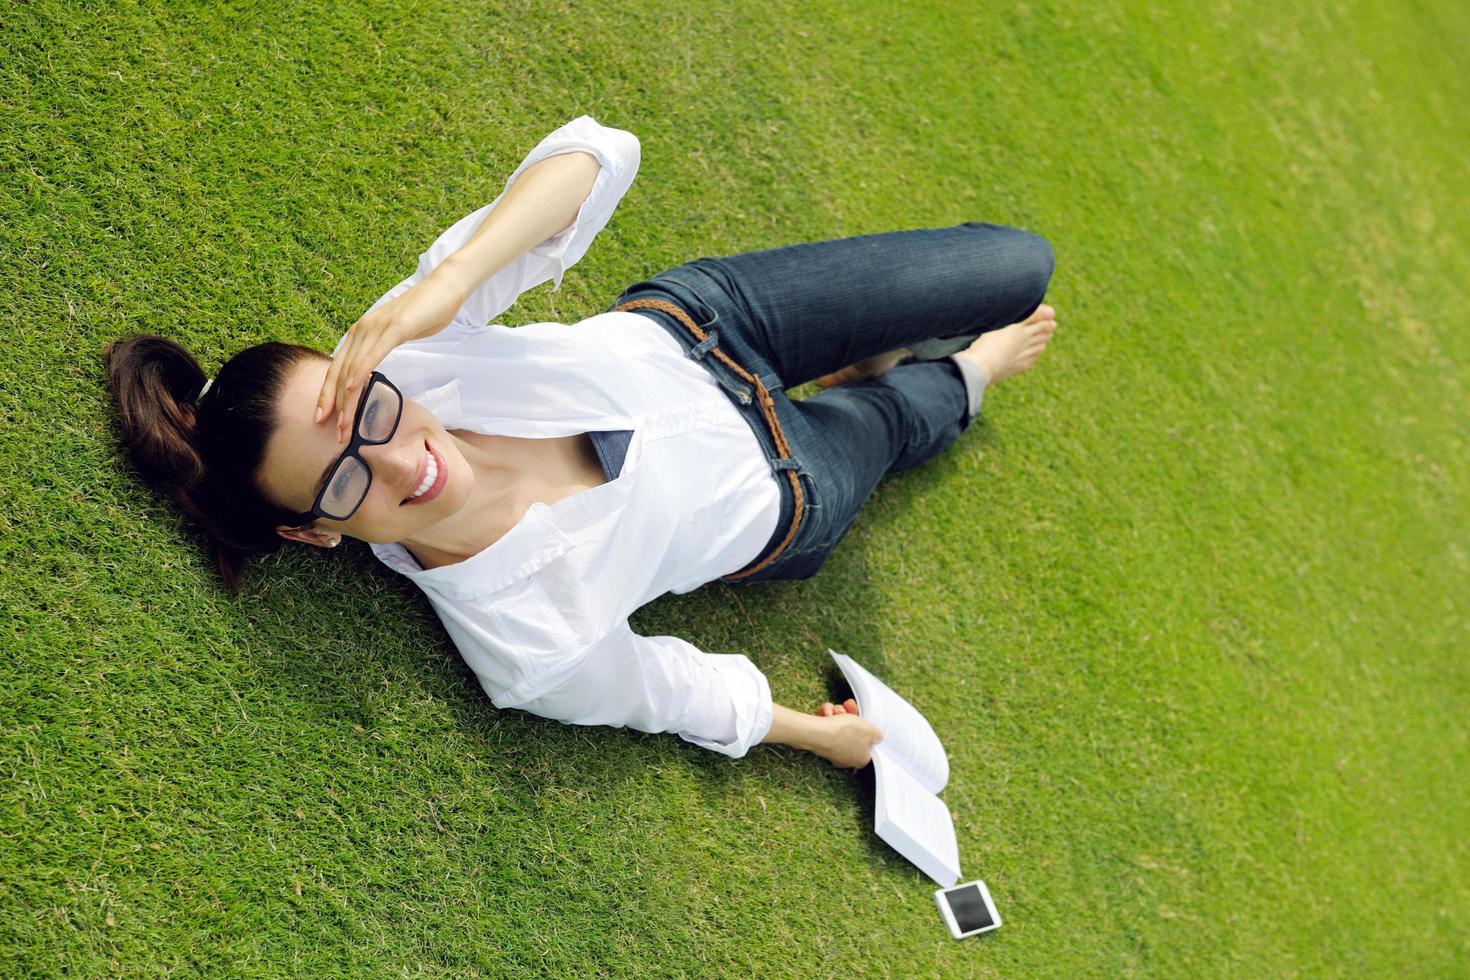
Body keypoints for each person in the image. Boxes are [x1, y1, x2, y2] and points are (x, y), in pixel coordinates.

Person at [106, 116, 1057, 770]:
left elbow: (599, 154)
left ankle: (867, 361)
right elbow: (667, 691)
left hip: (711, 326)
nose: (402, 459)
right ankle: (947, 381)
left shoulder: (415, 350)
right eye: (347, 481)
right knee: (914, 407)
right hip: (785, 491)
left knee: (1019, 267)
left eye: (370, 414)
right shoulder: (523, 643)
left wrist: (449, 284)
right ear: (314, 533)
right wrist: (822, 737)